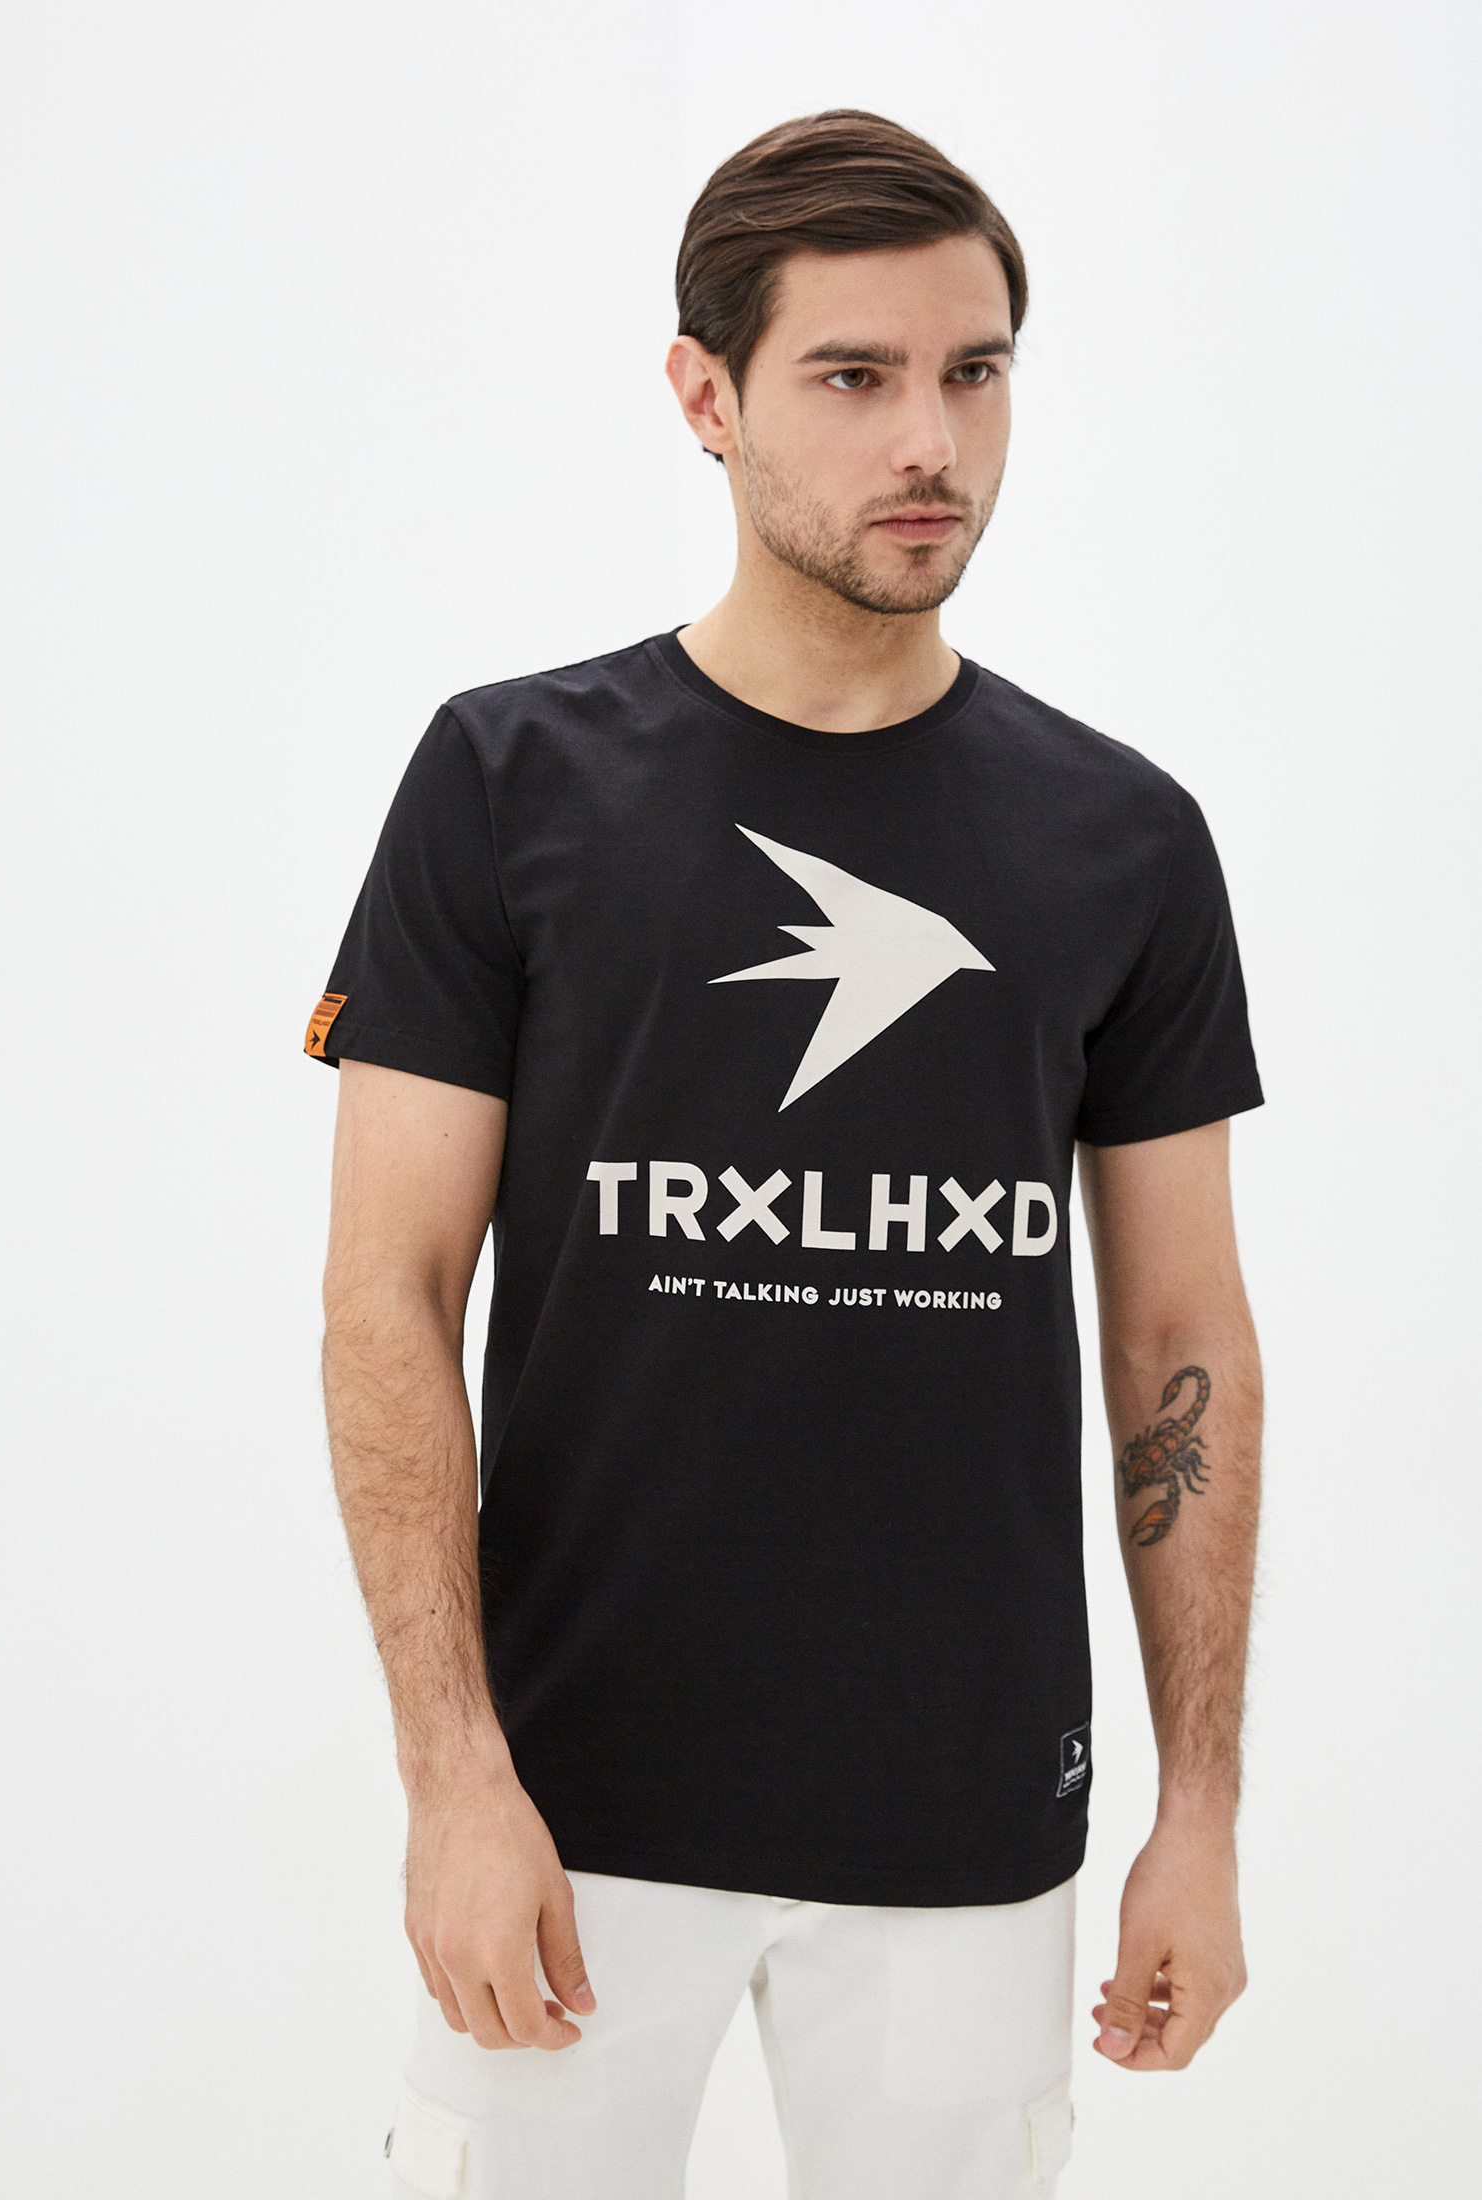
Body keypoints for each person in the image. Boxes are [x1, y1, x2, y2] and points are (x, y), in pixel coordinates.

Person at [308, 109, 1263, 2200]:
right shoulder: (506, 780)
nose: (931, 439)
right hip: (570, 1807)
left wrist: (1199, 1809)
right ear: (706, 395)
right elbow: (389, 1293)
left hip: (963, 1819)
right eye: (853, 375)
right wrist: (452, 1776)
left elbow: (1180, 1331)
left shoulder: (1123, 838)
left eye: (976, 371)